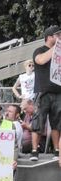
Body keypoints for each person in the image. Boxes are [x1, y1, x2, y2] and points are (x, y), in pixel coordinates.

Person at [30, 25, 61, 161]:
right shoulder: (40, 50)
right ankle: (34, 151)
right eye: (57, 35)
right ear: (49, 37)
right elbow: (40, 60)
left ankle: (56, 150)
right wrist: (56, 48)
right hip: (43, 91)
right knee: (38, 121)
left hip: (58, 92)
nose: (60, 37)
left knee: (57, 123)